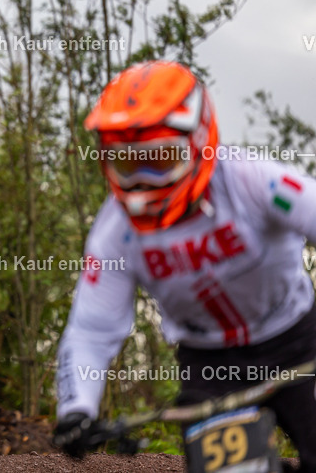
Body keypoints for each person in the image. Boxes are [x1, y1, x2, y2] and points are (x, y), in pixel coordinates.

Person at [53, 60, 316, 471]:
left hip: (298, 338)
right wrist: (75, 409)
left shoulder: (250, 180)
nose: (142, 183)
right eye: (126, 165)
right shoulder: (113, 234)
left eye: (159, 160)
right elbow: (91, 328)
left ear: (197, 140)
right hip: (211, 364)